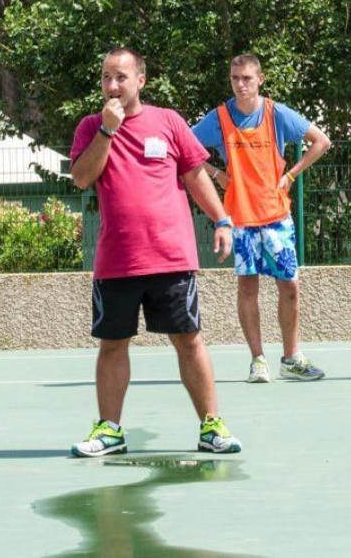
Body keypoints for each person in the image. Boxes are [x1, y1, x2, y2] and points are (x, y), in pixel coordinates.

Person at [68, 48, 241, 459]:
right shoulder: (91, 127)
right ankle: (110, 431)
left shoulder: (168, 122)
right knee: (113, 344)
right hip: (117, 261)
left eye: (121, 77)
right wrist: (107, 131)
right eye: (106, 77)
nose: (112, 85)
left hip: (171, 256)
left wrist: (222, 220)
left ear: (140, 81)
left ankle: (211, 427)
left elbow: (195, 175)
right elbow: (81, 178)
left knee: (189, 340)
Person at [191, 52, 333, 383]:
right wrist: (216, 173)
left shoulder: (276, 113)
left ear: (260, 79)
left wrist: (292, 174)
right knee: (247, 288)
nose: (240, 84)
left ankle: (291, 357)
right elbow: (183, 147)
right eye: (235, 78)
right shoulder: (219, 118)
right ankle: (258, 360)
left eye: (247, 78)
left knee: (290, 286)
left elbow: (321, 141)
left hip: (276, 216)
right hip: (240, 218)